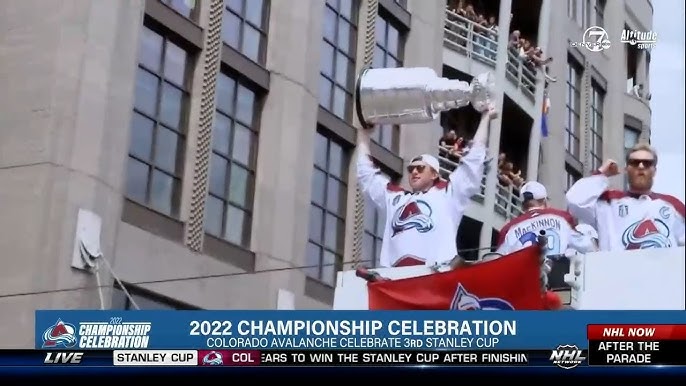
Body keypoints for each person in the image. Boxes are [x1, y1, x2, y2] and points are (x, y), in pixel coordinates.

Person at [356, 105, 498, 268]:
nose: (414, 172)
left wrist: (485, 118)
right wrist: (363, 136)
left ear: (434, 174)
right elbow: (367, 176)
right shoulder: (395, 198)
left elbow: (472, 162)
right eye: (411, 169)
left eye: (420, 168)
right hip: (396, 280)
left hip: (434, 276)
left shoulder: (448, 193)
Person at [566, 143, 685, 251]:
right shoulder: (608, 203)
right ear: (626, 169)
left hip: (662, 272)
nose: (641, 166)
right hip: (617, 273)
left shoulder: (673, 206)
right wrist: (602, 174)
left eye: (647, 163)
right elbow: (575, 200)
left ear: (654, 170)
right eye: (635, 162)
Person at [495, 181, 596, 257]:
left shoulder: (508, 229)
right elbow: (586, 246)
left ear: (523, 206)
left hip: (523, 280)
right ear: (544, 200)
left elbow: (498, 260)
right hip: (557, 277)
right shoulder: (562, 217)